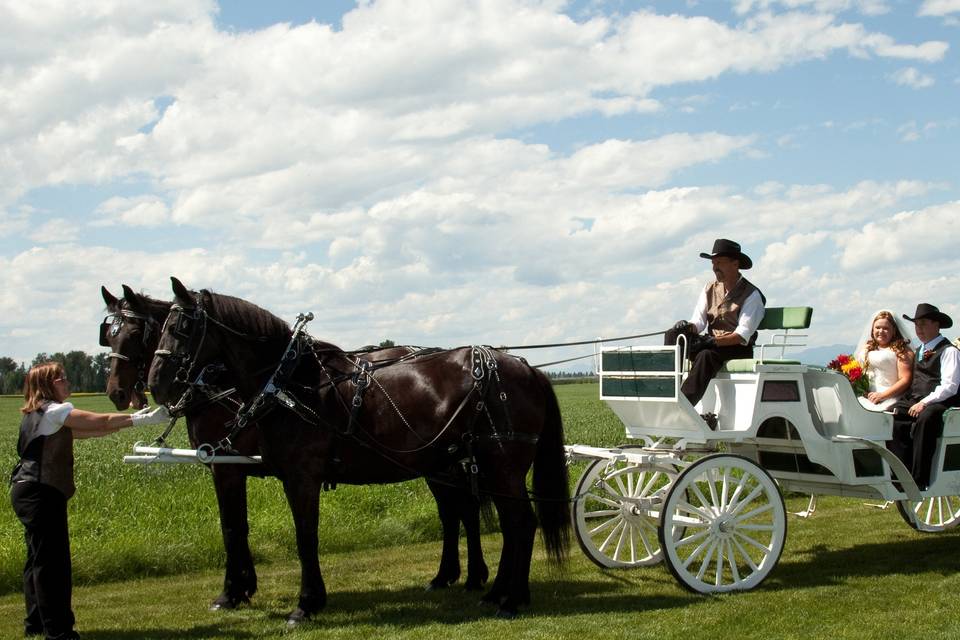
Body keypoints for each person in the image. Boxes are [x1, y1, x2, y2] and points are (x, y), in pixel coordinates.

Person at [9, 362, 169, 640]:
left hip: (27, 490)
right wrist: (144, 420)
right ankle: (58, 631)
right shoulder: (55, 411)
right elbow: (101, 421)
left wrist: (134, 419)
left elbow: (93, 430)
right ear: (47, 385)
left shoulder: (39, 414)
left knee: (37, 559)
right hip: (41, 491)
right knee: (52, 562)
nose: (67, 381)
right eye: (61, 378)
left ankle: (36, 623)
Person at [665, 238, 766, 412]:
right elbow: (699, 322)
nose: (714, 267)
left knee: (705, 355)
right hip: (712, 344)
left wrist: (711, 342)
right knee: (672, 335)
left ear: (735, 264)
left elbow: (741, 335)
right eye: (713, 263)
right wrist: (687, 327)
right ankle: (665, 389)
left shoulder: (752, 295)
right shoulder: (709, 288)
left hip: (736, 348)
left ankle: (683, 407)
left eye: (719, 262)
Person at [889, 304, 960, 490]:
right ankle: (900, 472)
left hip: (942, 401)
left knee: (926, 418)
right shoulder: (919, 350)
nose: (919, 329)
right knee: (891, 415)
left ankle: (920, 478)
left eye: (923, 324)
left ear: (936, 325)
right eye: (916, 325)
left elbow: (950, 386)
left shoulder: (949, 351)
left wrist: (924, 402)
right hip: (916, 399)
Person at [854, 310, 914, 412]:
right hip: (866, 395)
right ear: (872, 329)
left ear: (894, 330)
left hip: (890, 397)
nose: (881, 331)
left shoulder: (902, 350)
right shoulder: (867, 347)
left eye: (886, 328)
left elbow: (905, 379)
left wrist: (882, 396)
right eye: (877, 327)